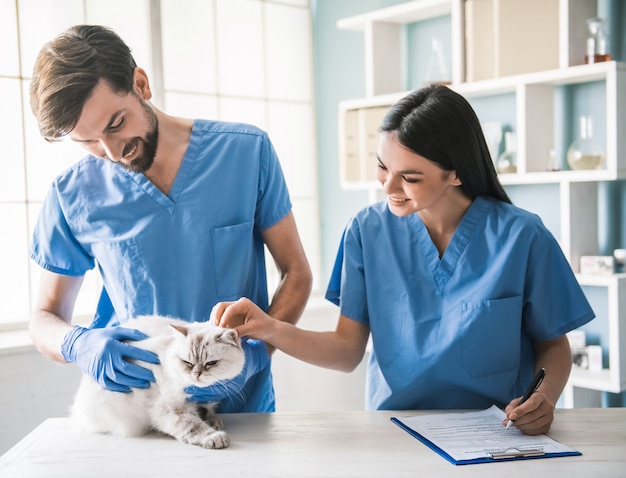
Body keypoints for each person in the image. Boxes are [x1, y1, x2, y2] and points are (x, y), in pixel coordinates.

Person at [211, 84, 595, 434]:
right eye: (382, 167)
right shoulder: (365, 231)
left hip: (497, 434)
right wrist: (270, 327)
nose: (388, 186)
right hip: (395, 433)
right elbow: (346, 351)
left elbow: (553, 345)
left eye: (409, 177)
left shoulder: (523, 236)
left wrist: (544, 397)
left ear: (455, 175)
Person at [28, 24, 312, 412]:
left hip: (242, 414)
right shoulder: (72, 194)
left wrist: (259, 353)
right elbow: (44, 317)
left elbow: (296, 272)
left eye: (116, 124)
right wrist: (77, 344)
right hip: (140, 413)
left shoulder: (245, 154)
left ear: (141, 84)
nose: (112, 152)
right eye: (88, 141)